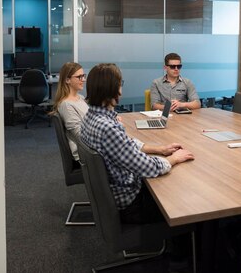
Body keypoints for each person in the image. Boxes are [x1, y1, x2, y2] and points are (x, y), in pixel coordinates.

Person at [80, 63, 195, 223]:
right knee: (185, 195)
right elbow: (148, 167)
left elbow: (125, 144)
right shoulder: (108, 128)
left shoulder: (91, 117)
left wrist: (159, 149)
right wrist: (174, 159)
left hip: (111, 193)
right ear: (114, 89)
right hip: (131, 203)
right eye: (120, 84)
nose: (121, 88)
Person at [52, 62, 87, 161]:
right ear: (67, 80)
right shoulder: (66, 105)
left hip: (89, 146)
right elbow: (80, 135)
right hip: (85, 152)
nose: (83, 80)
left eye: (83, 76)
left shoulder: (80, 98)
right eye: (79, 77)